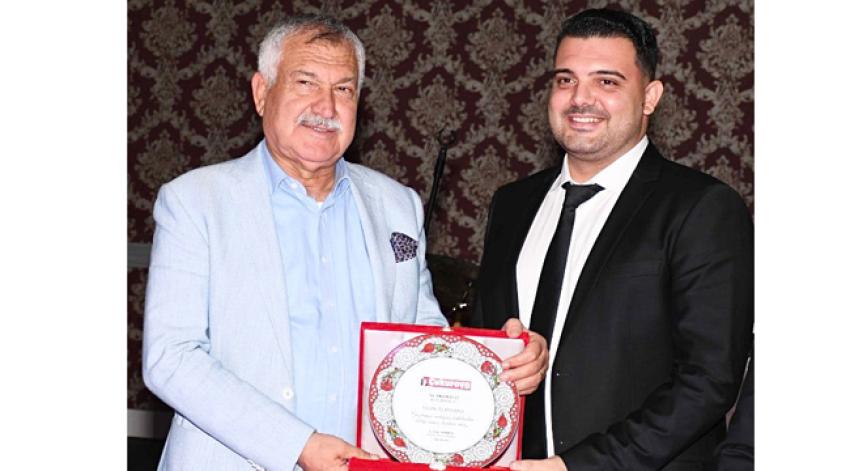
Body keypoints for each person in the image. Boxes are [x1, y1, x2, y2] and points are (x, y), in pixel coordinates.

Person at [143, 15, 547, 471]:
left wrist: (499, 362)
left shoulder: (397, 206)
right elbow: (170, 358)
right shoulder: (195, 201)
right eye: (305, 83)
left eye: (344, 89)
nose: (326, 106)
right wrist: (299, 445)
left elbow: (421, 339)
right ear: (261, 93)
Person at [469, 8, 753, 471]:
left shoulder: (702, 207)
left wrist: (576, 466)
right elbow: (487, 343)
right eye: (565, 80)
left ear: (650, 97)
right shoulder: (512, 204)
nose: (580, 99)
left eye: (607, 82)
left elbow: (708, 380)